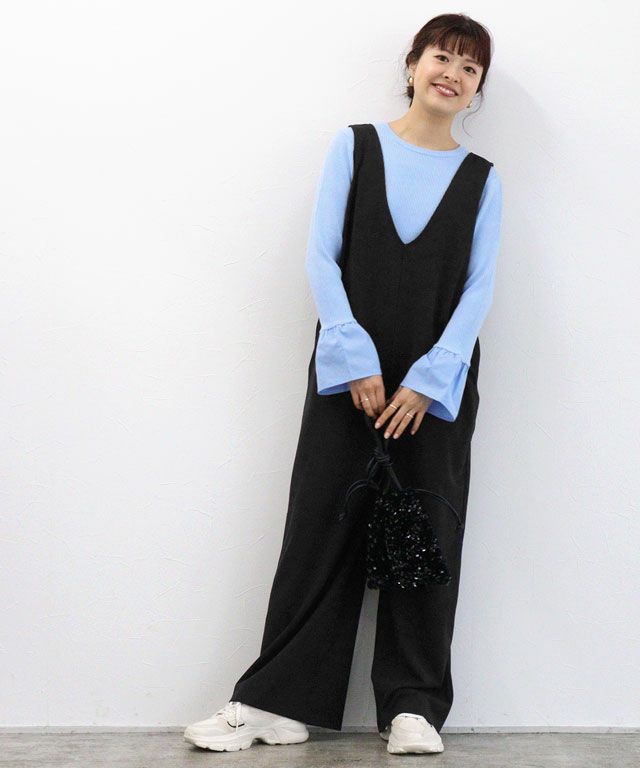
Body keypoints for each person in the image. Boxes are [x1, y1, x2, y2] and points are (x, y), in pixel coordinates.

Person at [184, 12, 503, 755]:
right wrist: (355, 357)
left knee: (427, 535)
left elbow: (479, 289)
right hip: (346, 378)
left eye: (470, 68)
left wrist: (429, 380)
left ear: (476, 89)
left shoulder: (482, 180)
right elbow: (321, 257)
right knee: (319, 526)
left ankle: (413, 708)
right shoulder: (355, 147)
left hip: (434, 391)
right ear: (414, 64)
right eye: (443, 57)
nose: (453, 74)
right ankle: (276, 703)